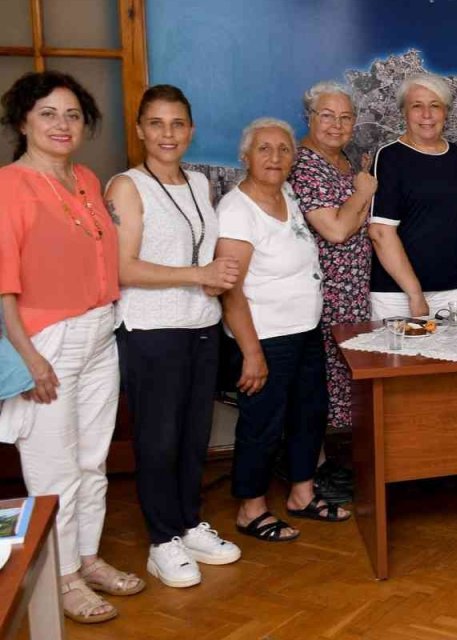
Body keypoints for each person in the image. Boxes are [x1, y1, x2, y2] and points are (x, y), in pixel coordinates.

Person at [0, 71, 142, 624]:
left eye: (73, 115)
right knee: (52, 465)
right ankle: (59, 577)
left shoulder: (85, 177)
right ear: (23, 122)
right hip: (46, 340)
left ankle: (86, 557)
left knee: (91, 460)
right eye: (48, 114)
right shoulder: (9, 185)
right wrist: (29, 358)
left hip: (100, 331)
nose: (62, 125)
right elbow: (4, 286)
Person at [106, 84, 243, 590]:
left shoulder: (199, 183)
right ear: (140, 130)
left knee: (193, 435)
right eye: (157, 123)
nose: (168, 134)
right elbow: (122, 267)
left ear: (191, 130)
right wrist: (197, 275)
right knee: (159, 439)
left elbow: (202, 254)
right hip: (152, 329)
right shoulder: (126, 186)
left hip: (201, 326)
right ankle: (162, 540)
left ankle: (188, 523)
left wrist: (211, 280)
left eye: (178, 124)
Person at [216, 118, 350, 544]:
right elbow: (231, 291)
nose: (275, 157)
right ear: (246, 156)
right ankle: (251, 509)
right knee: (263, 424)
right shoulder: (237, 210)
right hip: (265, 336)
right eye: (264, 149)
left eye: (284, 149)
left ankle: (302, 493)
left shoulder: (288, 194)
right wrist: (252, 353)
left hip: (305, 329)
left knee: (309, 413)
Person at [288, 81, 376, 499]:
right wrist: (362, 193)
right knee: (316, 382)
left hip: (352, 290)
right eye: (326, 115)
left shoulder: (344, 162)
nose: (336, 125)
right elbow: (337, 230)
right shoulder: (303, 165)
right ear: (309, 118)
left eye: (345, 117)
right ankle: (311, 468)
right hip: (322, 292)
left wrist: (357, 196)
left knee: (339, 377)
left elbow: (355, 221)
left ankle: (323, 464)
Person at [367, 74, 457, 320]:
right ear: (404, 112)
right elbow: (381, 232)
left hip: (449, 289)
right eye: (417, 106)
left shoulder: (454, 155)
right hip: (398, 294)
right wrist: (414, 294)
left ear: (446, 112)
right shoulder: (390, 157)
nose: (427, 115)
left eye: (435, 105)